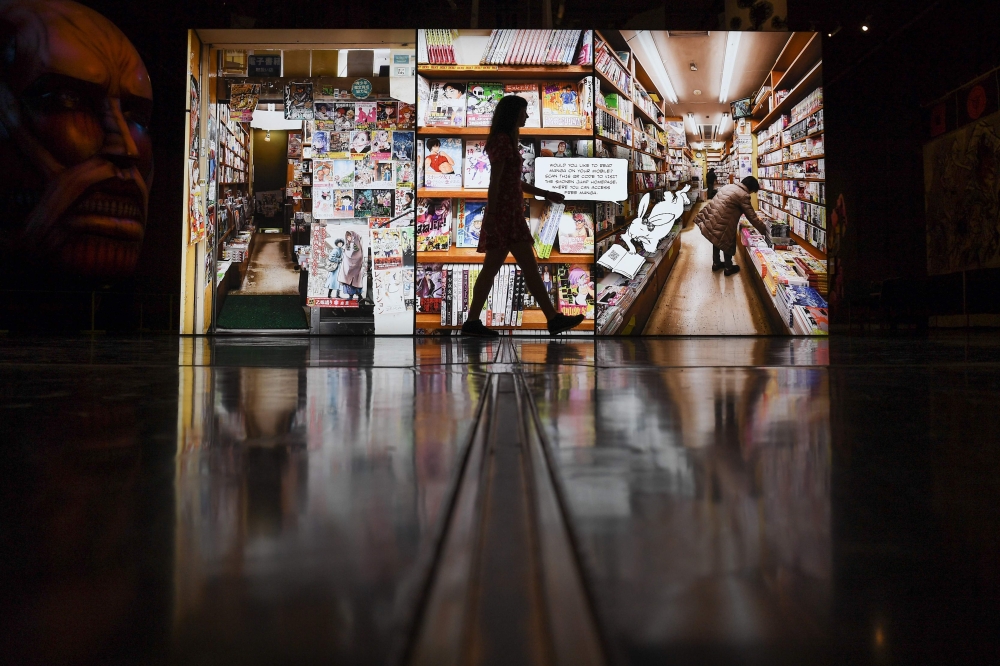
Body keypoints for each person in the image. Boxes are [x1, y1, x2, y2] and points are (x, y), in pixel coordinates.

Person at [461, 95, 586, 337]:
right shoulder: (502, 141)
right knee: (522, 268)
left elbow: (511, 181)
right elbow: (495, 181)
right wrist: (493, 215)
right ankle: (552, 319)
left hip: (507, 215)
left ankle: (474, 321)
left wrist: (545, 193)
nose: (527, 116)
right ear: (512, 115)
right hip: (505, 216)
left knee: (502, 270)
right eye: (523, 112)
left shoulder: (504, 140)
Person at [694, 175, 770, 276]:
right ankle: (728, 267)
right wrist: (766, 231)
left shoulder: (728, 186)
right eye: (752, 191)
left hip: (713, 217)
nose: (751, 194)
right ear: (750, 188)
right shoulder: (743, 195)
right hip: (724, 221)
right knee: (727, 242)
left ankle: (716, 263)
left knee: (716, 238)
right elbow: (752, 217)